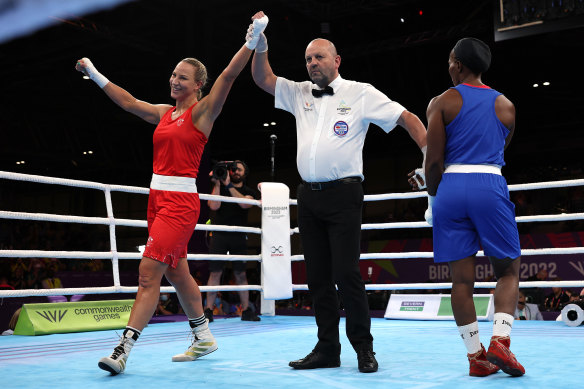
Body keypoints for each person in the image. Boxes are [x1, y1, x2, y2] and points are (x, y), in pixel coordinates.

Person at [75, 13, 269, 375]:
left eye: (182, 76)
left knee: (149, 273)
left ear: (197, 85)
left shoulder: (202, 113)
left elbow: (227, 76)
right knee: (178, 274)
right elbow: (130, 102)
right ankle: (204, 337)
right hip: (156, 200)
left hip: (180, 205)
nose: (173, 79)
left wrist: (253, 38)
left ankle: (123, 349)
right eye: (173, 74)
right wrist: (95, 73)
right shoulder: (165, 113)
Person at [251, 11, 427, 373]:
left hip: (345, 195)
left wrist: (429, 158)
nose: (312, 63)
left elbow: (406, 117)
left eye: (318, 57)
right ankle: (327, 349)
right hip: (309, 197)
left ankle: (363, 348)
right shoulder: (299, 92)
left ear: (337, 60)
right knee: (316, 277)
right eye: (308, 59)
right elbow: (262, 78)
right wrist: (261, 43)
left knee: (347, 274)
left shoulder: (360, 93)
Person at [425, 37, 525, 377]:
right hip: (488, 183)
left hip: (451, 187)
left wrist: (435, 198)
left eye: (450, 59)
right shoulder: (506, 106)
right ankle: (501, 340)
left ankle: (476, 358)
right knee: (508, 270)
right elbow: (498, 152)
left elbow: (433, 162)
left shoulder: (442, 102)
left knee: (461, 281)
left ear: (458, 64)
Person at [205, 160, 260, 322]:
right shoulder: (219, 189)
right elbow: (213, 206)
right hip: (219, 235)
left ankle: (247, 310)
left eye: (239, 170)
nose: (236, 172)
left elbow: (245, 204)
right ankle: (208, 310)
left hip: (239, 235)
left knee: (240, 273)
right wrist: (217, 183)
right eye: (233, 169)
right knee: (215, 273)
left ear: (245, 173)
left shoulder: (248, 191)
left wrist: (229, 186)